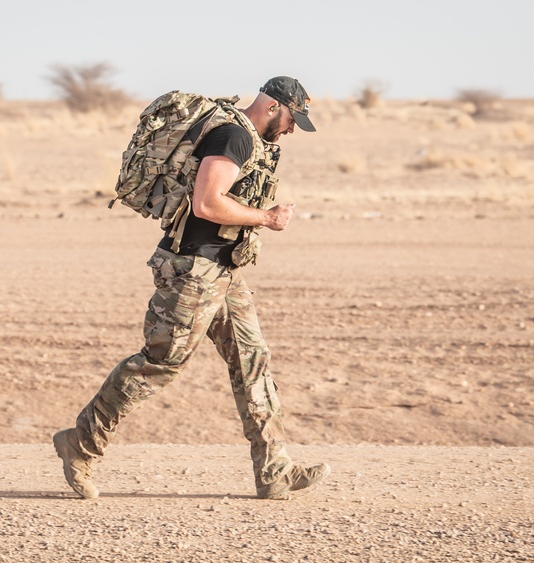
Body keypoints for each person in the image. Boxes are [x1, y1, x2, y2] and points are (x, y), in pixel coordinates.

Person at [53, 76, 329, 500]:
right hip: (192, 271)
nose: (293, 130)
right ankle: (81, 443)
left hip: (223, 271)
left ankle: (275, 470)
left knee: (253, 361)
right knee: (160, 363)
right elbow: (207, 203)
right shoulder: (234, 136)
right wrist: (266, 219)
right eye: (293, 119)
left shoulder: (249, 139)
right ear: (273, 106)